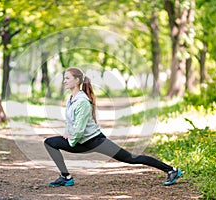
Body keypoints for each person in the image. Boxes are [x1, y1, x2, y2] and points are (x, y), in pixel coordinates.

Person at [44, 67, 182, 187]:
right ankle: (66, 177)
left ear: (77, 81)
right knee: (50, 143)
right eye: (64, 78)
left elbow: (80, 128)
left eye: (67, 78)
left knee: (130, 158)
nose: (64, 81)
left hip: (95, 141)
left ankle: (171, 170)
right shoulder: (71, 99)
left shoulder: (82, 101)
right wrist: (67, 133)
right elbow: (70, 122)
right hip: (80, 141)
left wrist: (71, 141)